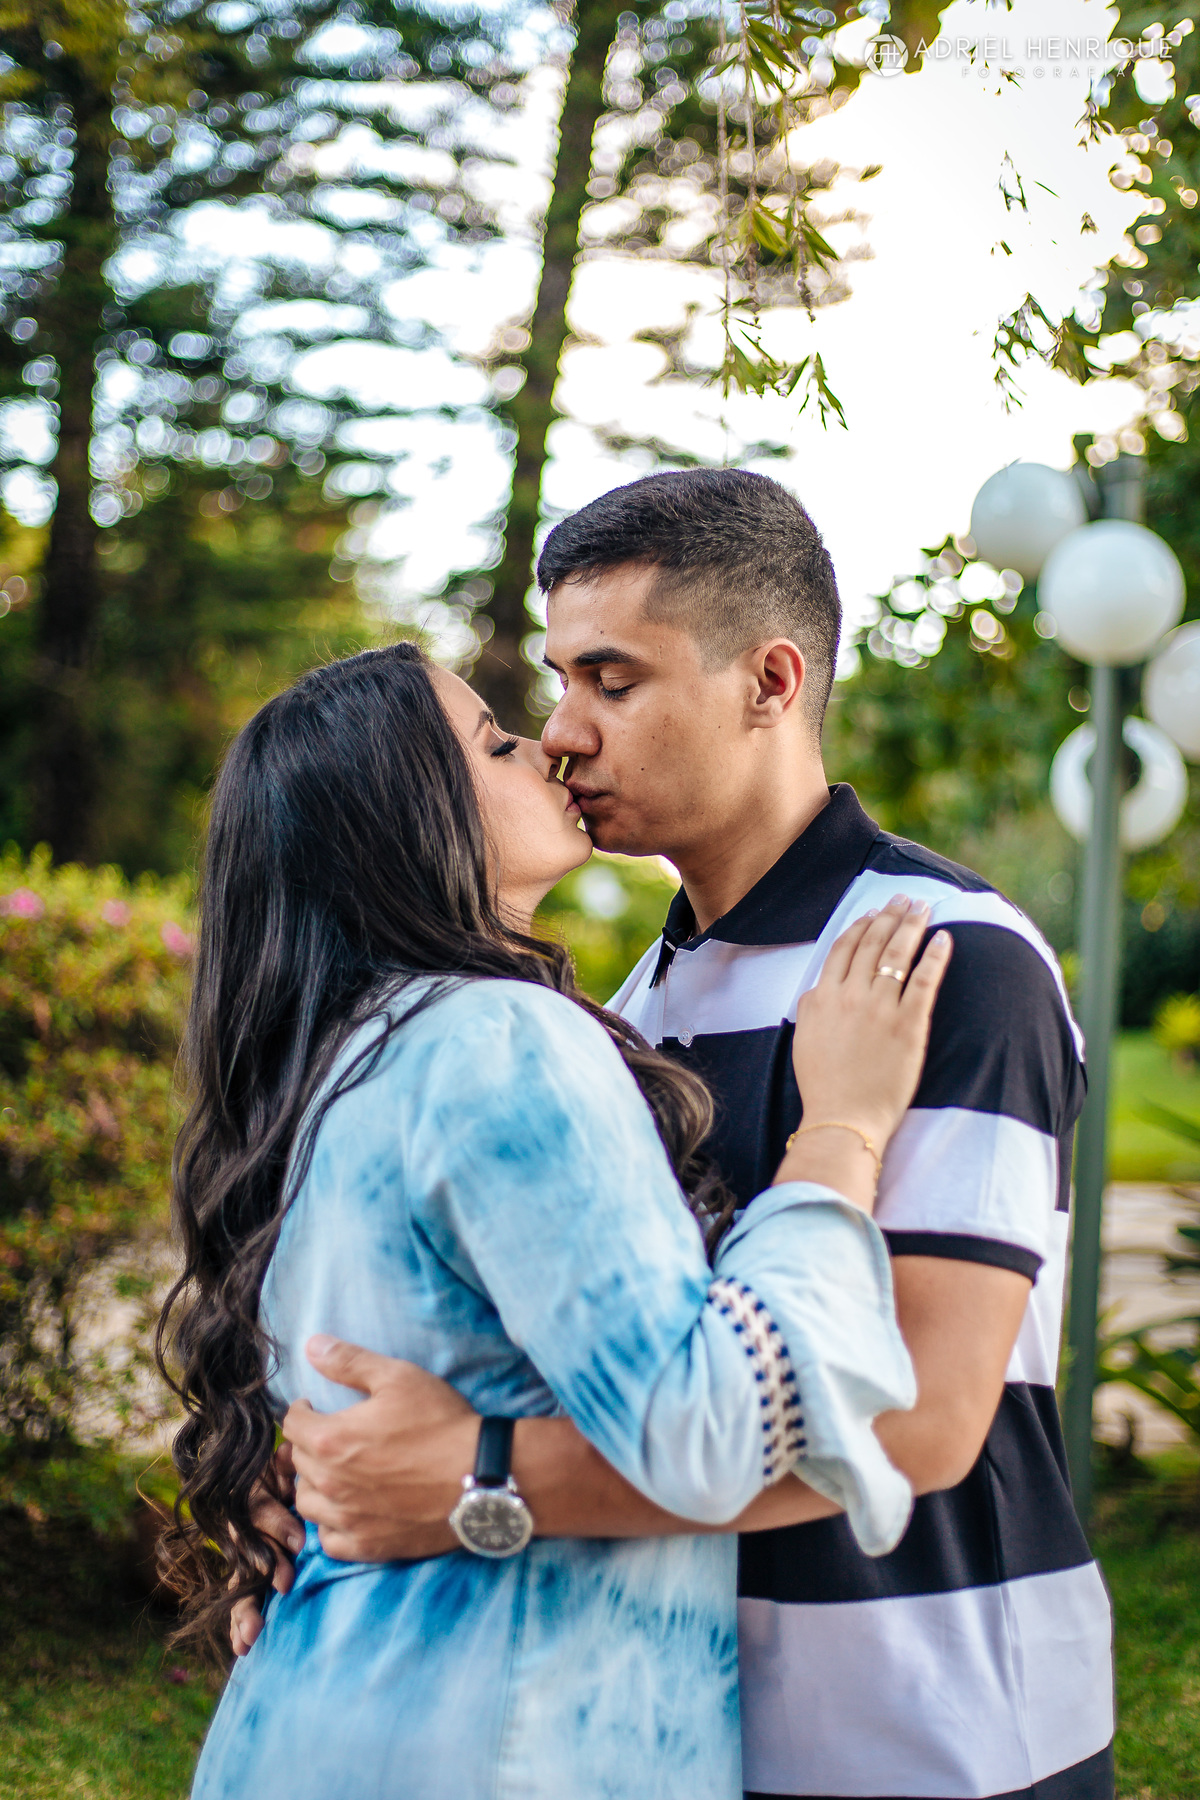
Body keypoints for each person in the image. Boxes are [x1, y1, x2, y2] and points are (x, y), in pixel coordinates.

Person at [255, 471, 1115, 1800]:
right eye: (560, 682)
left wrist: (474, 1483)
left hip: (936, 1731)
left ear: (769, 682)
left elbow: (927, 1420)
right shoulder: (625, 1012)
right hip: (674, 1735)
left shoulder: (939, 957)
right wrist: (321, 1471)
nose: (562, 732)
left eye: (613, 680)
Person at [160, 637, 953, 1800]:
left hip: (342, 1723)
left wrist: (459, 1472)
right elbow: (708, 1429)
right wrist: (840, 1130)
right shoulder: (499, 1040)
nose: (550, 745)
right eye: (495, 743)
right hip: (492, 1745)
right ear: (407, 822)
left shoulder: (342, 1065)